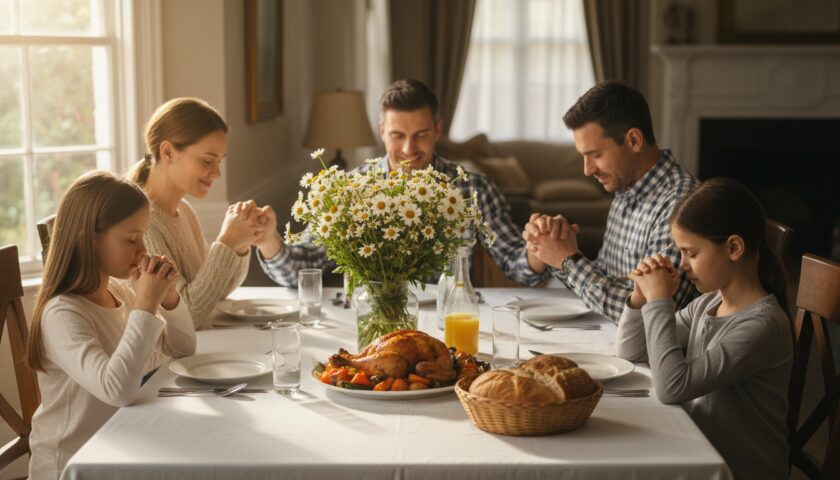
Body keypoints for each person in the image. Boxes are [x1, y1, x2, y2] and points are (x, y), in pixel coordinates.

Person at [257, 79, 544, 287]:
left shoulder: (474, 189)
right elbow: (298, 271)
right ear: (382, 131)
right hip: (372, 327)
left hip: (446, 323)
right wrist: (269, 240)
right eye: (397, 135)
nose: (409, 148)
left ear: (438, 130)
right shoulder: (351, 189)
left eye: (420, 134)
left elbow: (518, 267)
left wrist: (537, 248)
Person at [617, 177, 792, 479]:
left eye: (691, 253)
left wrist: (660, 300)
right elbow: (631, 352)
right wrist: (639, 297)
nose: (682, 264)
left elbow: (672, 388)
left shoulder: (762, 326)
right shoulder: (708, 304)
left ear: (733, 247)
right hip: (698, 453)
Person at [26, 171, 196, 480]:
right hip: (75, 463)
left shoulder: (116, 293)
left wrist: (168, 298)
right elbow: (116, 390)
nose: (143, 250)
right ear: (88, 241)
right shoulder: (62, 314)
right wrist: (145, 305)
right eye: (132, 239)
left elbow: (182, 350)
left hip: (124, 443)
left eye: (142, 237)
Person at [524, 80, 698, 323]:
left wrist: (568, 260)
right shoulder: (626, 189)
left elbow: (655, 312)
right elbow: (605, 278)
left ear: (634, 140)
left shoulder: (681, 203)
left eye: (595, 155)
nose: (587, 170)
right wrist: (554, 246)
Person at [127, 98, 278, 328]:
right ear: (167, 152)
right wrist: (226, 242)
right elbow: (187, 317)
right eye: (207, 160)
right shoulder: (143, 224)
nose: (216, 173)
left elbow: (214, 293)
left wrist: (240, 243)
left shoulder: (184, 211)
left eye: (219, 161)